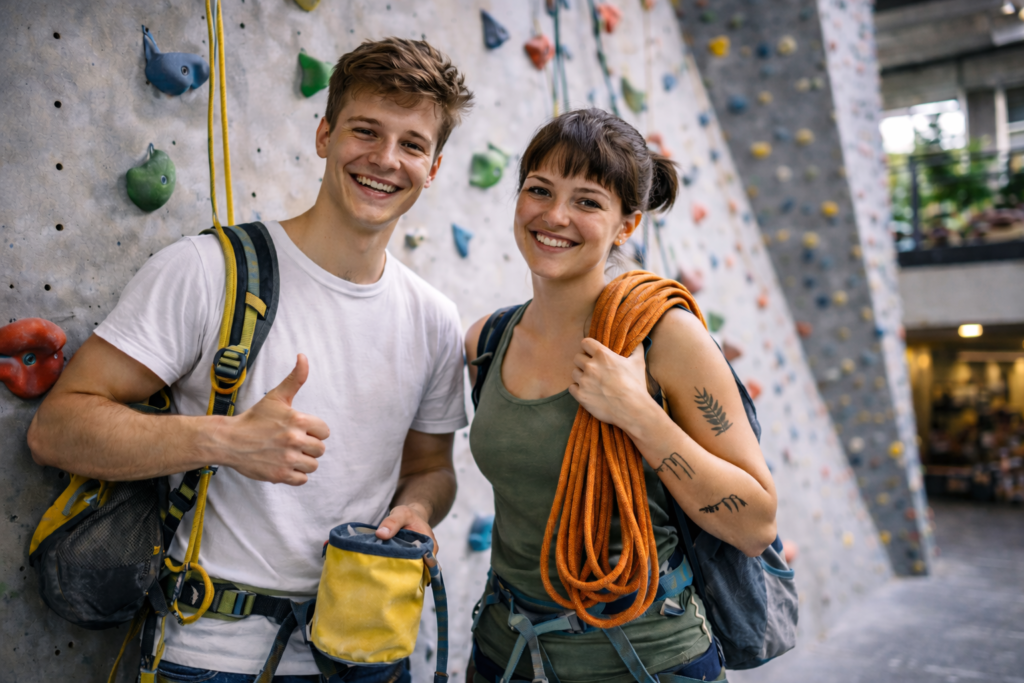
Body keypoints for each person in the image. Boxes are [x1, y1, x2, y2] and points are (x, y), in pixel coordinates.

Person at [28, 37, 473, 683]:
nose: (384, 159)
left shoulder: (434, 318)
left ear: (433, 168)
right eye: (365, 131)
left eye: (411, 144)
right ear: (325, 134)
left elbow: (433, 467)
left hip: (367, 652)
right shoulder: (208, 270)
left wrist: (419, 509)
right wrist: (225, 439)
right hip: (209, 658)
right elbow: (57, 428)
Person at [464, 109, 778, 682]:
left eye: (587, 201)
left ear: (626, 226)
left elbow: (755, 523)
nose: (555, 216)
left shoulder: (664, 337)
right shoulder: (486, 340)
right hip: (505, 654)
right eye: (540, 190)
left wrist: (636, 413)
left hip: (645, 661)